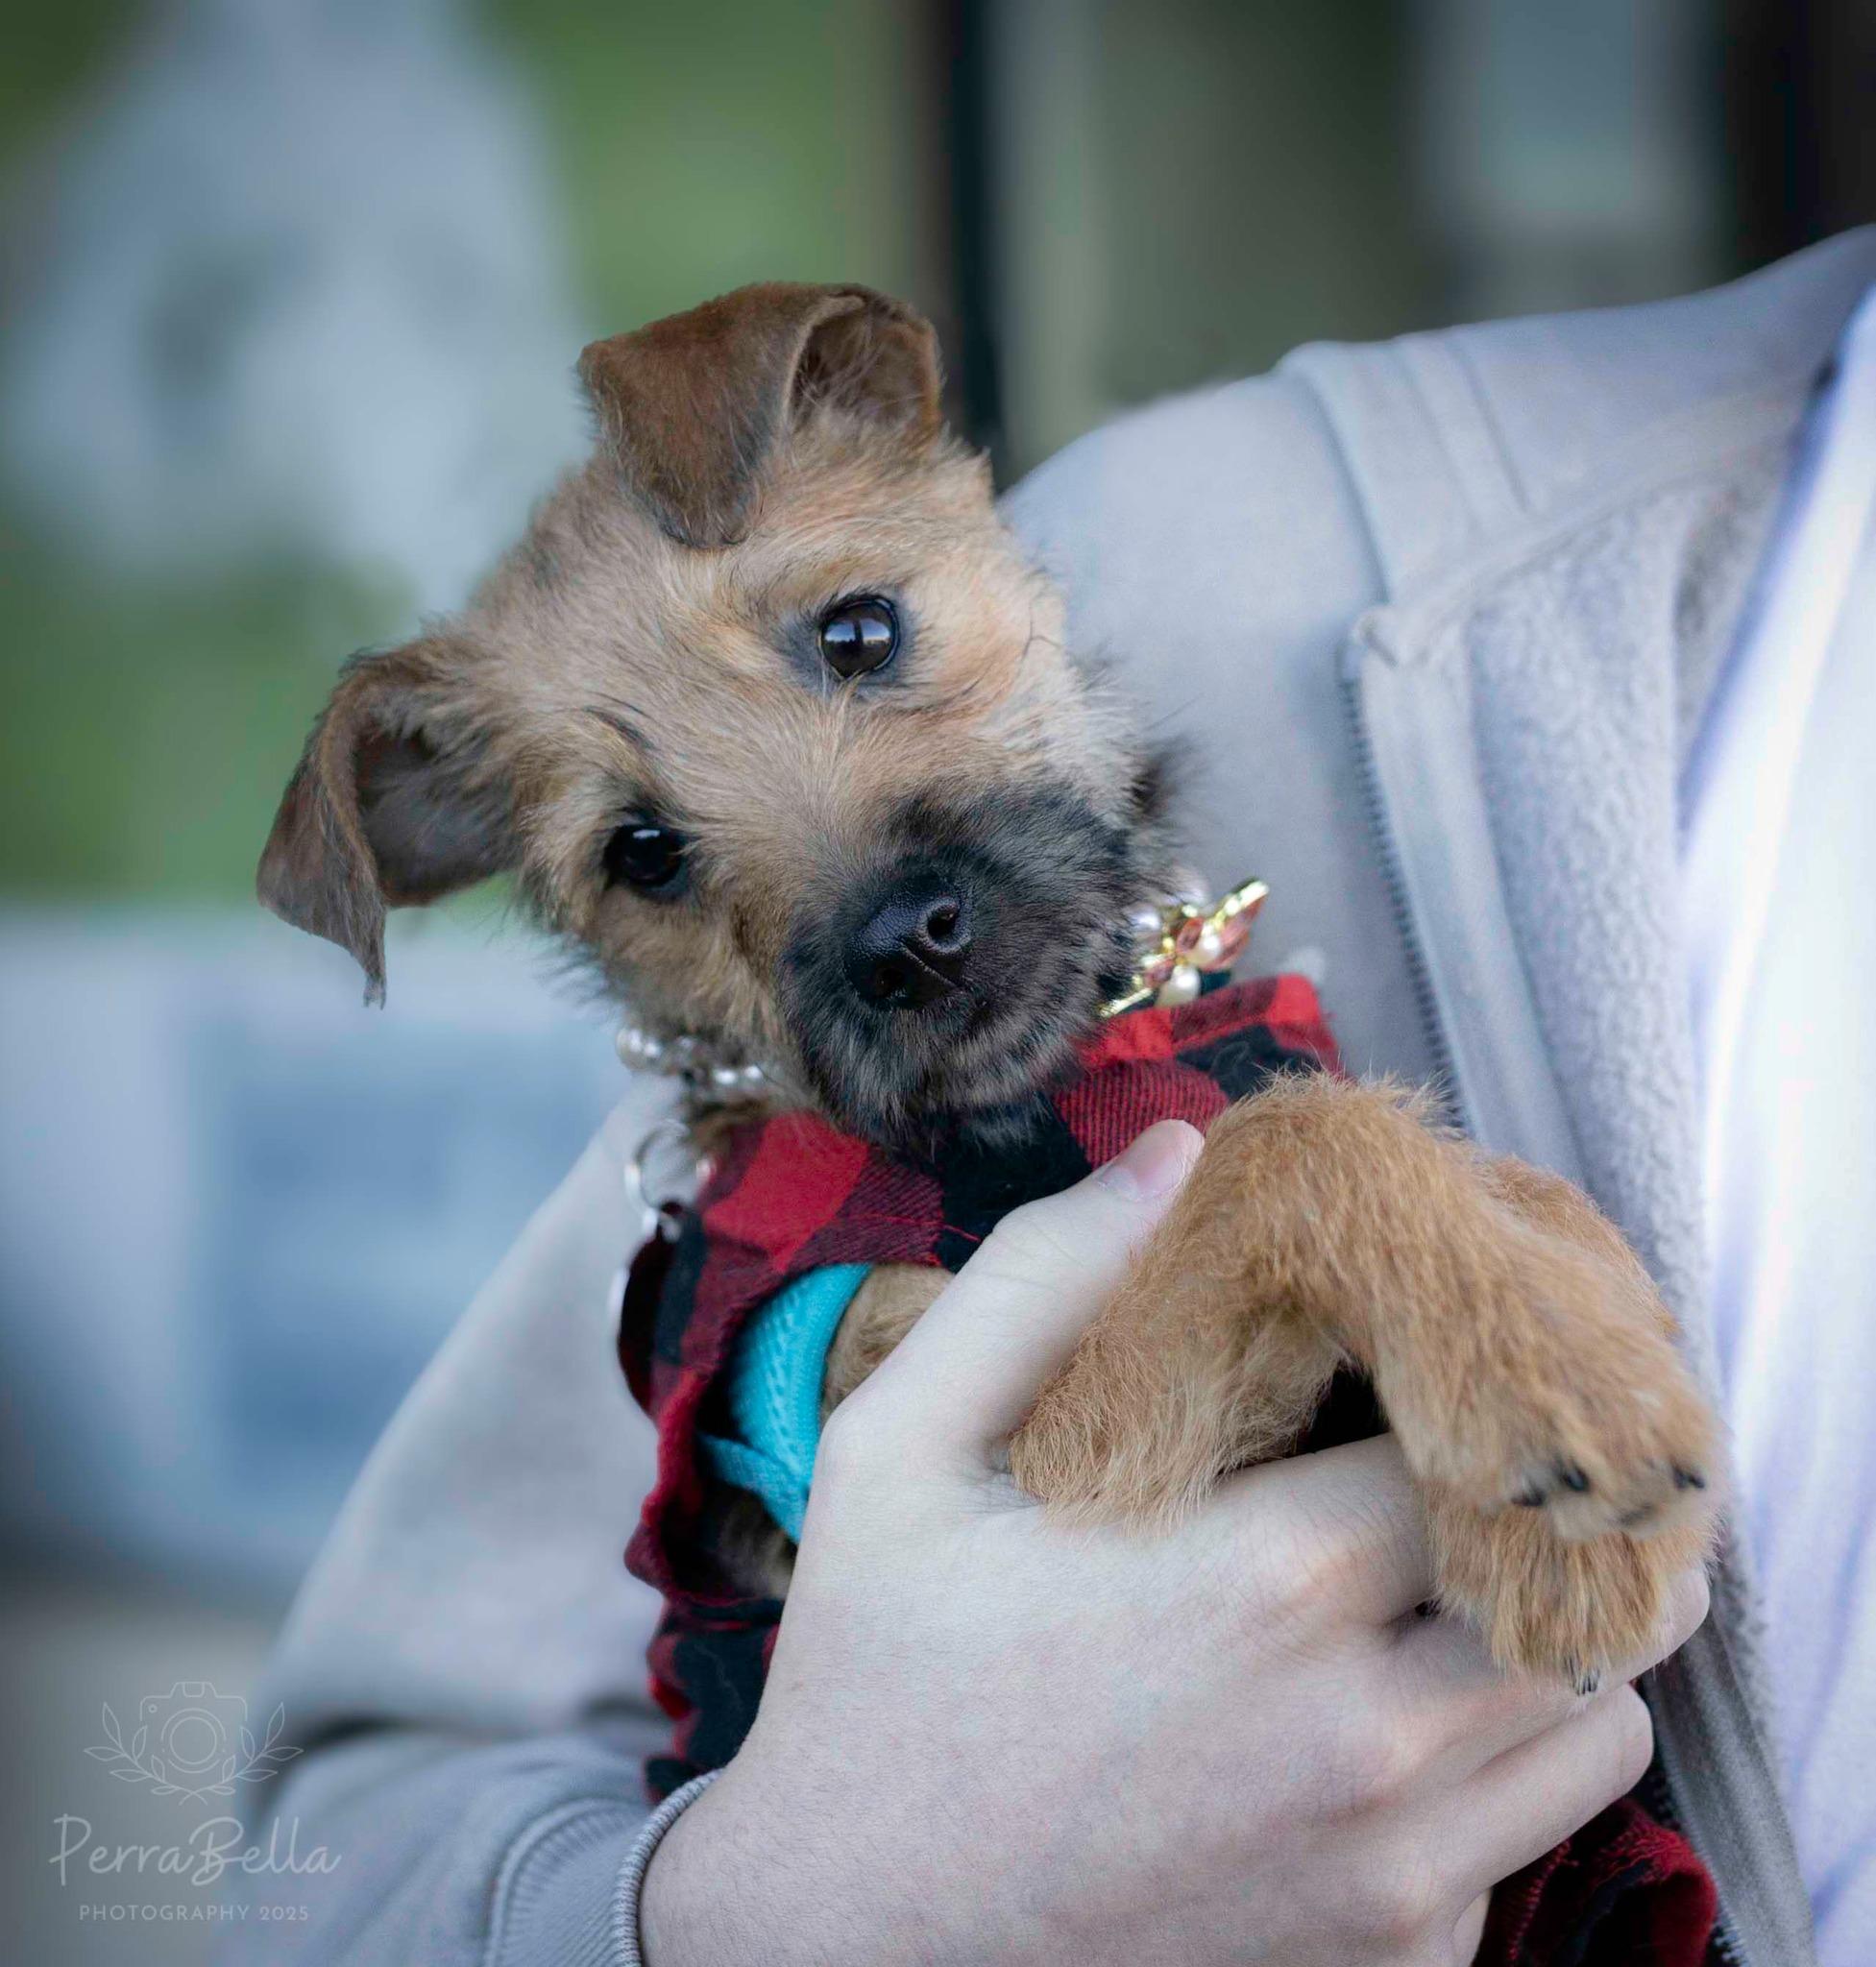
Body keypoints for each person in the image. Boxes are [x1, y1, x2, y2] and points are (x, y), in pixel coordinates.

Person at [230, 228, 1876, 1966]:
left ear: (893, 417)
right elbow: (1079, 1479)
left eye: (857, 637)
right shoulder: (788, 1255)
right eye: (648, 857)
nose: (870, 896)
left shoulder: (1180, 988)